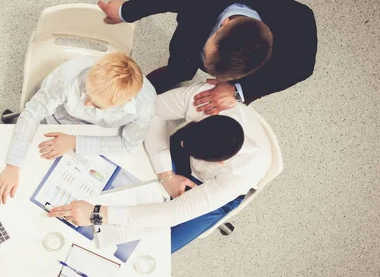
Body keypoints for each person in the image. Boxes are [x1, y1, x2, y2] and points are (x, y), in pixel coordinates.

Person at [46, 82, 272, 253]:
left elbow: (174, 213)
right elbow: (152, 112)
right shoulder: (207, 100)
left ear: (219, 163)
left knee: (152, 248)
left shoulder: (242, 173)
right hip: (180, 158)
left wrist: (97, 214)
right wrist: (166, 175)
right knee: (124, 169)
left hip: (214, 189)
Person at [98, 0, 318, 114]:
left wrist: (240, 90)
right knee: (180, 68)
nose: (210, 74)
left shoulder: (299, 28)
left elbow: (300, 70)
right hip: (190, 37)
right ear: (223, 25)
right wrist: (125, 11)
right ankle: (177, 72)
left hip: (248, 75)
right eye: (207, 56)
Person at [0, 52, 156, 205]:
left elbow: (128, 145)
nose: (86, 103)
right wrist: (13, 165)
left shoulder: (145, 105)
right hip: (56, 117)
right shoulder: (66, 78)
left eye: (96, 104)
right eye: (86, 91)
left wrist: (75, 142)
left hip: (95, 135)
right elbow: (32, 114)